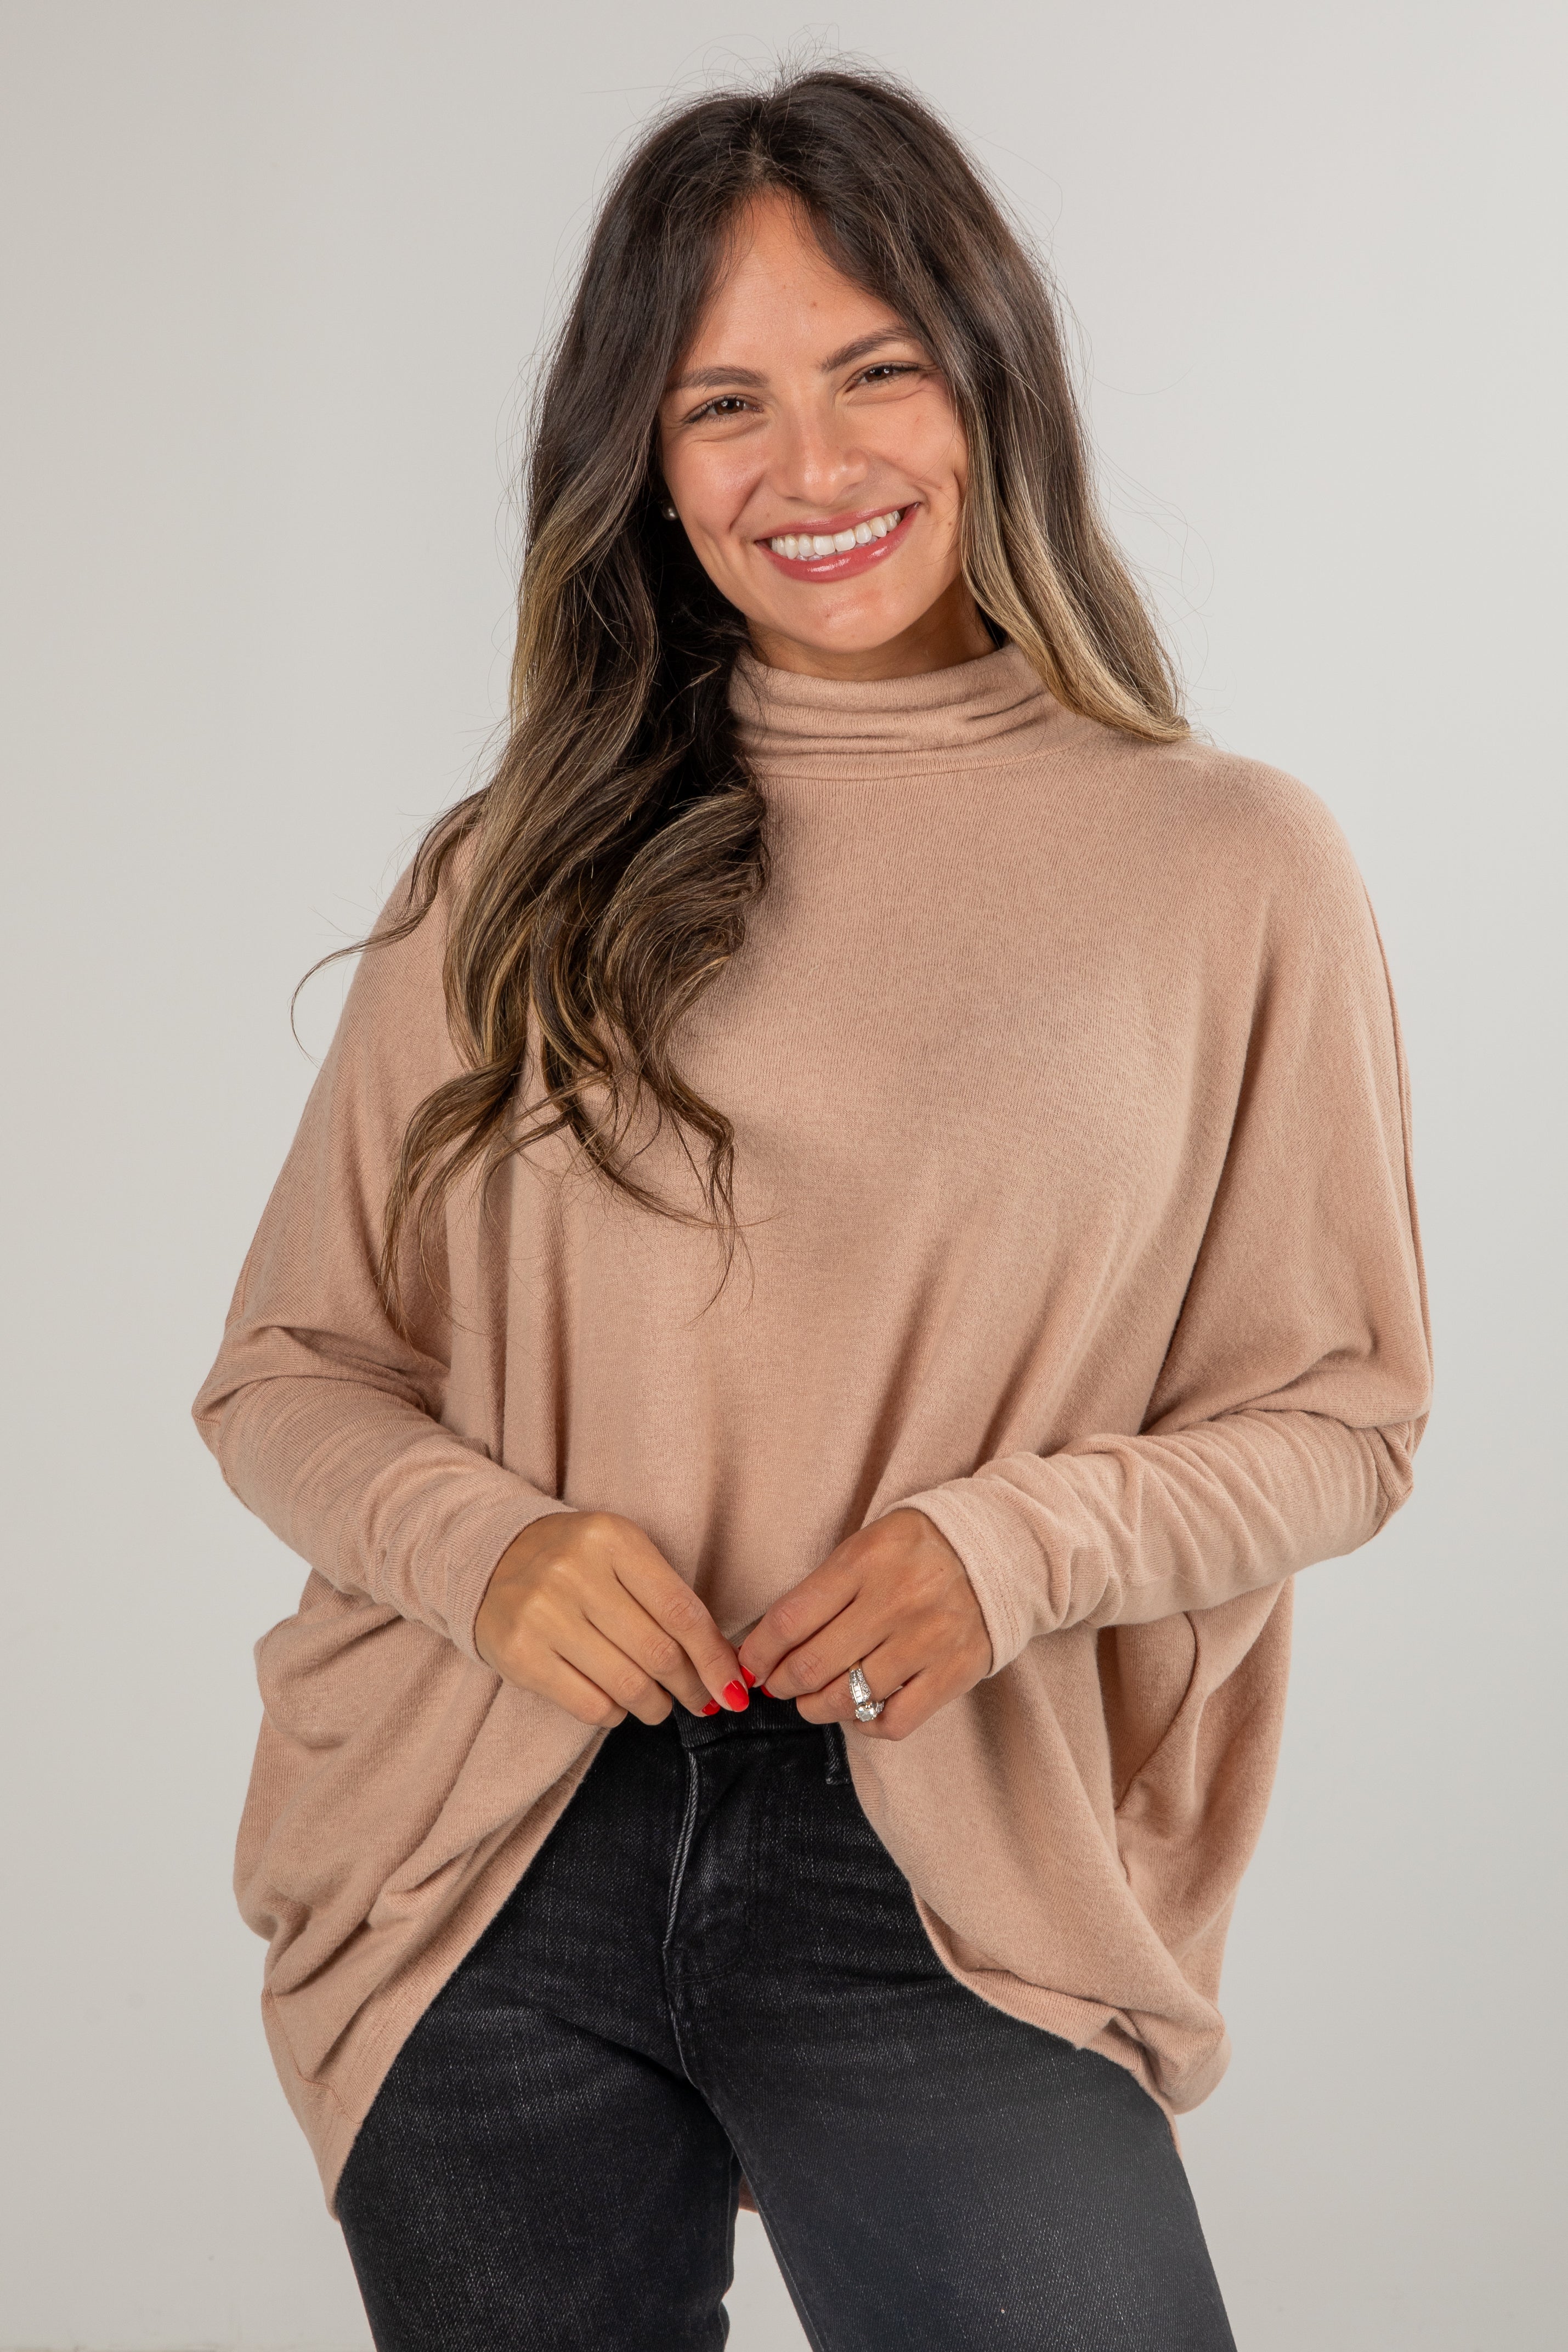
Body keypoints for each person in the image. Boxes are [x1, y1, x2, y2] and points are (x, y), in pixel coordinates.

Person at [194, 63, 1430, 2352]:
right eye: (720, 405)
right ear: (646, 477)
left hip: (953, 1861)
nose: (814, 467)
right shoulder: (511, 873)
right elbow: (284, 1370)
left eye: (873, 370)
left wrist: (1015, 1542)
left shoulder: (1227, 863)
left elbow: (1345, 1413)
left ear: (988, 381)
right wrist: (493, 1546)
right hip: (482, 1856)